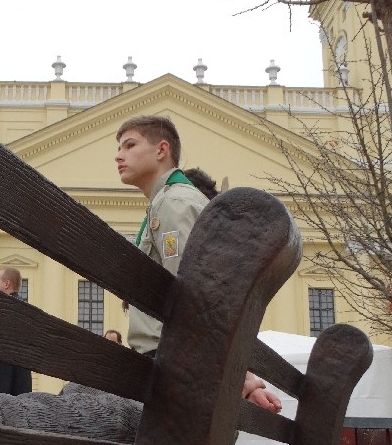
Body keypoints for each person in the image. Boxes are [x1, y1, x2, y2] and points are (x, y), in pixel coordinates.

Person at [114, 114, 281, 414]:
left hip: (172, 364)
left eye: (129, 145)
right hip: (182, 362)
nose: (119, 155)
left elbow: (198, 294)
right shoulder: (172, 201)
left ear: (161, 150)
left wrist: (241, 377)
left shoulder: (174, 204)